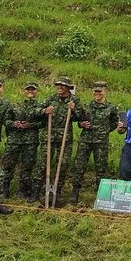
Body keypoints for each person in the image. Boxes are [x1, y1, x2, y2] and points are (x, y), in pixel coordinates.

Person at [70, 82, 118, 206]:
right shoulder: (87, 105)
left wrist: (105, 130)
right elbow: (79, 120)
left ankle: (100, 195)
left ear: (105, 92)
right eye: (95, 92)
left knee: (101, 168)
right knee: (79, 166)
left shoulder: (111, 108)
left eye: (100, 92)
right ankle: (75, 192)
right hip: (85, 140)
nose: (97, 94)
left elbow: (114, 122)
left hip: (101, 142)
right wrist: (82, 124)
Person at [39, 77, 82, 206]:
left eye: (62, 85)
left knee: (62, 164)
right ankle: (41, 191)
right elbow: (38, 111)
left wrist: (74, 109)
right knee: (43, 163)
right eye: (58, 85)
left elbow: (81, 117)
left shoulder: (74, 100)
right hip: (49, 137)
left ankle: (58, 191)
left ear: (68, 87)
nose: (59, 87)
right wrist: (44, 111)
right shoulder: (51, 99)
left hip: (65, 138)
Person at [2, 82, 43, 203]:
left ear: (37, 91)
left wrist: (31, 125)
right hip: (14, 140)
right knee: (8, 164)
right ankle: (5, 188)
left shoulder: (40, 106)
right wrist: (14, 124)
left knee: (27, 166)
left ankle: (22, 189)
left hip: (30, 141)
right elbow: (6, 120)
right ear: (23, 91)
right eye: (28, 89)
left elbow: (43, 123)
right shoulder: (14, 105)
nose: (30, 91)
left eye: (33, 89)